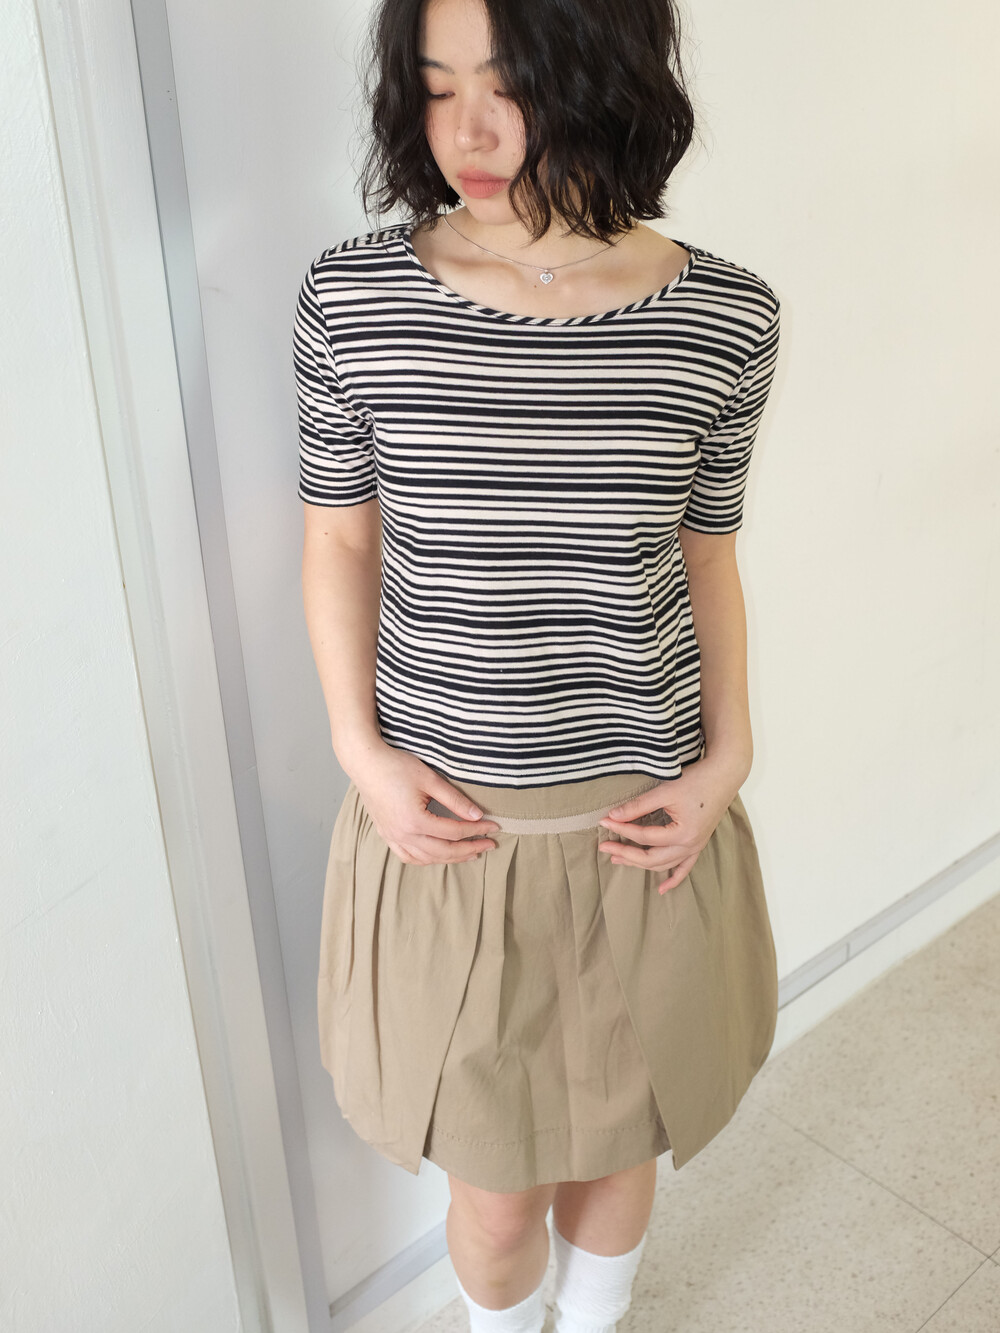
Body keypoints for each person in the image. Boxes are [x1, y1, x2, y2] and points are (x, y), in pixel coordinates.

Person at [295, 0, 781, 1327]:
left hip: (639, 821)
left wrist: (731, 751)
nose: (467, 132)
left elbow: (708, 554)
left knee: (622, 1148)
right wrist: (358, 749)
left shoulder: (725, 319)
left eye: (508, 86)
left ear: (605, 78)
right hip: (451, 828)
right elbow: (339, 537)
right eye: (435, 86)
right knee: (498, 1191)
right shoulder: (354, 298)